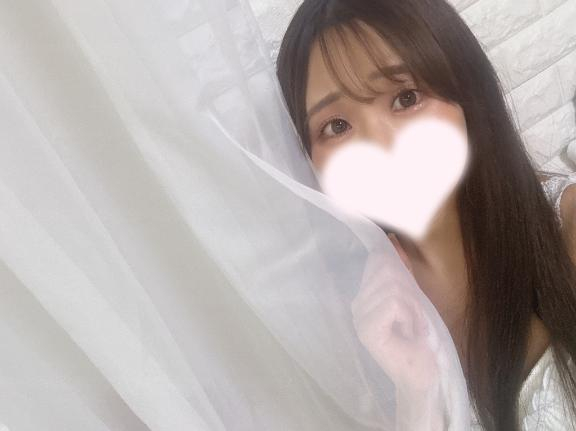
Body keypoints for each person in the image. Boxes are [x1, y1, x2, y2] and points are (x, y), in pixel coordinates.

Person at [275, 0, 576, 429]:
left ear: (467, 93)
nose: (381, 146)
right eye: (336, 126)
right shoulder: (359, 334)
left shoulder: (567, 227)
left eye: (406, 98)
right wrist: (416, 396)